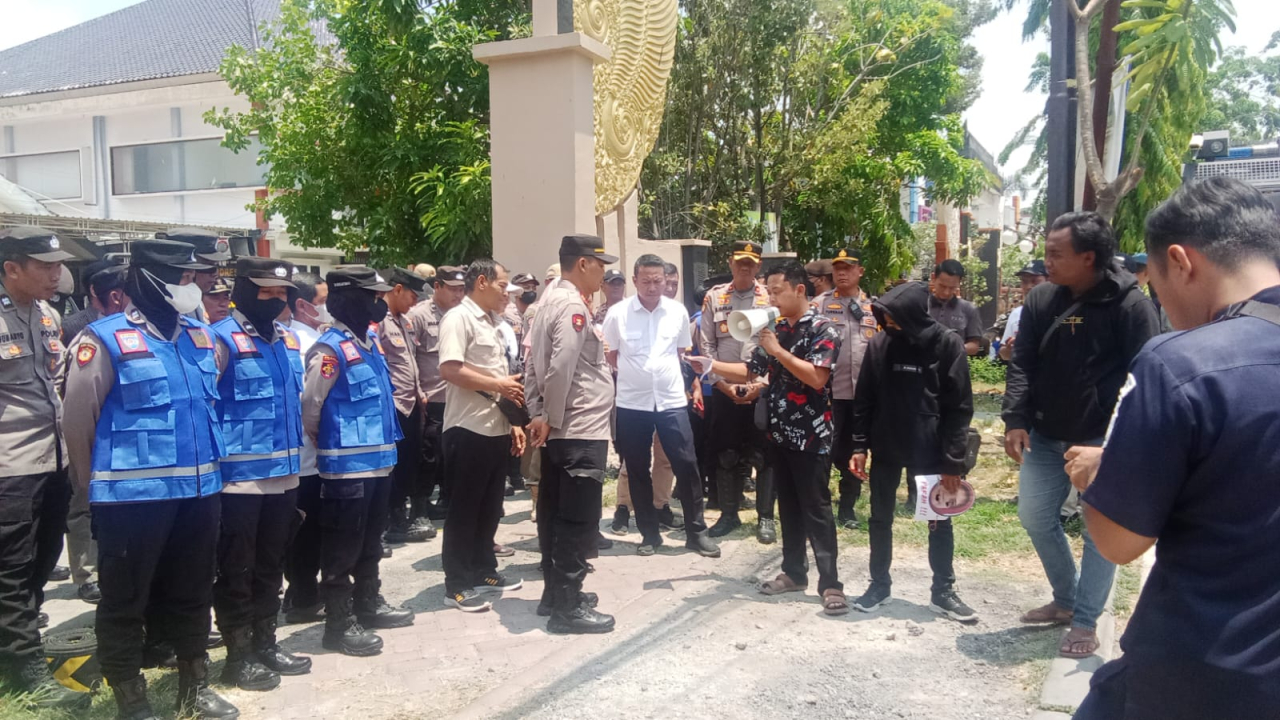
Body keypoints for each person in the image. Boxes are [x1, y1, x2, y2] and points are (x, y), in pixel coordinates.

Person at [1065, 178, 1280, 720]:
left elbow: (1119, 541)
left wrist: (1099, 472)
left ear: (1180, 262)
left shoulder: (1181, 362)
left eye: (1157, 287)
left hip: (1204, 670)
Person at [62, 239, 237, 719]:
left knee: (193, 591)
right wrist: (90, 490)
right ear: (147, 279)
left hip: (199, 494)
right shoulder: (104, 339)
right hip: (130, 499)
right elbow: (78, 421)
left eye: (192, 277)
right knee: (125, 600)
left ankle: (195, 688)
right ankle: (131, 699)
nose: (191, 285)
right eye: (182, 277)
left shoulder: (202, 337)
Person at [1002, 211, 1160, 659]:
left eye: (1056, 254)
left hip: (1100, 443)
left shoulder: (1131, 307)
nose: (1046, 262)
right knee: (1035, 516)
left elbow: (1146, 378)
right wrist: (1015, 418)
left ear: (1088, 257)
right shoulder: (1042, 299)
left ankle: (1086, 621)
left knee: (1096, 530)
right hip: (1046, 434)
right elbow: (1023, 362)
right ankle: (1066, 598)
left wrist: (1117, 445)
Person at [695, 260, 846, 615]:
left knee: (816, 509)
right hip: (779, 434)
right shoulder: (775, 329)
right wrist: (709, 366)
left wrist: (777, 350)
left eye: (777, 291)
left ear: (799, 289)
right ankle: (794, 573)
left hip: (811, 436)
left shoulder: (824, 328)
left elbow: (817, 378)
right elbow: (752, 370)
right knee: (788, 507)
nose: (771, 299)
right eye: (770, 291)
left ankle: (831, 584)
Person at [846, 282, 977, 622]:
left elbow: (959, 409)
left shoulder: (947, 344)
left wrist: (953, 462)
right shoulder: (880, 344)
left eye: (894, 318)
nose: (889, 323)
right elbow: (864, 399)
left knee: (938, 521)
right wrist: (859, 446)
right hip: (886, 447)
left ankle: (943, 591)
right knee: (879, 519)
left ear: (915, 314)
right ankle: (879, 585)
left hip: (931, 452)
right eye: (885, 318)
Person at [210, 257, 312, 691]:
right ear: (244, 291)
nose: (276, 299)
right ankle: (238, 656)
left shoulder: (287, 340)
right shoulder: (219, 339)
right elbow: (207, 408)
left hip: (284, 475)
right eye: (266, 291)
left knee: (271, 565)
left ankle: (266, 643)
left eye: (282, 292)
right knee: (237, 570)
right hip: (238, 480)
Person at [301, 266, 412, 657]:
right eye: (372, 296)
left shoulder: (369, 342)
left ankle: (369, 602)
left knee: (371, 542)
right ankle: (338, 622)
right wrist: (324, 438)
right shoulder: (329, 350)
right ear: (350, 299)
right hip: (346, 468)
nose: (378, 303)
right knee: (342, 548)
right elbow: (311, 405)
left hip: (380, 462)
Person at [0, 226, 84, 709]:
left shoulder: (48, 315)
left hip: (52, 459)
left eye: (59, 265)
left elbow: (58, 382)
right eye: (46, 266)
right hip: (9, 465)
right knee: (10, 570)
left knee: (42, 560)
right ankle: (24, 670)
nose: (57, 275)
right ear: (12, 268)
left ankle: (16, 652)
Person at [525, 235, 617, 634]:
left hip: (562, 428)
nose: (603, 274)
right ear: (582, 264)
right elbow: (560, 365)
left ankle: (555, 594)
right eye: (600, 265)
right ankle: (567, 606)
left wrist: (539, 413)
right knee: (578, 518)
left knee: (553, 512)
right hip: (578, 427)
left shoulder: (547, 302)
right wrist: (549, 415)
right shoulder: (572, 306)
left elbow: (531, 365)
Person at [603, 254, 718, 558]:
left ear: (666, 280)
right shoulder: (618, 314)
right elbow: (612, 356)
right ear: (635, 281)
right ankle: (649, 534)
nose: (653, 287)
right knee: (637, 468)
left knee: (686, 464)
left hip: (671, 401)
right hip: (632, 403)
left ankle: (696, 532)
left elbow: (680, 351)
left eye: (658, 281)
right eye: (646, 281)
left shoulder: (677, 312)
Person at [437, 260, 526, 612]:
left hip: (495, 426)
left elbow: (502, 376)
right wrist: (497, 385)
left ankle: (483, 569)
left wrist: (514, 423)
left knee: (490, 507)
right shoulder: (458, 318)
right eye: (503, 286)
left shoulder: (495, 323)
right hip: (467, 428)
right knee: (464, 509)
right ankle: (456, 583)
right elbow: (450, 369)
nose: (507, 294)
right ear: (483, 282)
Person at [61, 261, 128, 605]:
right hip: (88, 428)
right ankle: (86, 573)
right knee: (83, 504)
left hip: (124, 442)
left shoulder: (139, 328)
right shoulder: (78, 327)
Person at [699, 241, 770, 539]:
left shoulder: (770, 297)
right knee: (726, 454)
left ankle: (765, 518)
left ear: (758, 266)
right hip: (724, 390)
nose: (745, 266)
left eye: (750, 262)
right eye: (740, 261)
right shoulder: (714, 297)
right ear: (730, 263)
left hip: (760, 390)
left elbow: (776, 345)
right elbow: (706, 345)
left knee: (763, 455)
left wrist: (761, 384)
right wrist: (722, 384)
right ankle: (729, 515)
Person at [814, 248, 877, 530]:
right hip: (828, 395)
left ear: (860, 271)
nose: (842, 273)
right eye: (838, 268)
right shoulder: (819, 305)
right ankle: (820, 506)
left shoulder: (874, 308)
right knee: (823, 452)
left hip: (861, 397)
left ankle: (848, 507)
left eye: (848, 268)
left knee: (855, 451)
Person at [406, 266, 467, 523]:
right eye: (452, 289)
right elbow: (409, 357)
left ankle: (447, 500)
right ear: (437, 286)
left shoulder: (464, 315)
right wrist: (418, 392)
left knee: (452, 455)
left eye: (461, 289)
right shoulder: (418, 315)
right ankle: (419, 508)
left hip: (458, 398)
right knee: (428, 455)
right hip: (431, 399)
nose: (458, 295)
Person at [379, 267, 434, 545]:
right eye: (413, 296)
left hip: (411, 403)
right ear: (397, 289)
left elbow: (411, 361)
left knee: (409, 463)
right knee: (393, 465)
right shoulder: (378, 321)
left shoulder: (406, 322)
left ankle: (402, 515)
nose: (415, 303)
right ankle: (392, 519)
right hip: (393, 404)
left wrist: (420, 392)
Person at [158, 227, 231, 324]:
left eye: (215, 266)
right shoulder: (169, 305)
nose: (215, 274)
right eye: (207, 266)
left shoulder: (194, 302)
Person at [995, 260, 1048, 362]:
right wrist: (1010, 348)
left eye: (1035, 281)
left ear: (1049, 280)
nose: (1029, 286)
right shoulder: (1017, 313)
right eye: (1024, 281)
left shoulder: (1059, 311)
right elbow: (1003, 354)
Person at [928, 259, 983, 356]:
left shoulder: (969, 309)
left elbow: (974, 346)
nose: (946, 292)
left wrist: (953, 348)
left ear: (959, 283)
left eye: (952, 288)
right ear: (933, 278)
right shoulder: (921, 305)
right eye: (942, 286)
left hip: (954, 363)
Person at [288, 271, 328, 348]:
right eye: (323, 300)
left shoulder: (320, 335)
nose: (330, 305)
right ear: (301, 306)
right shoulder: (305, 343)